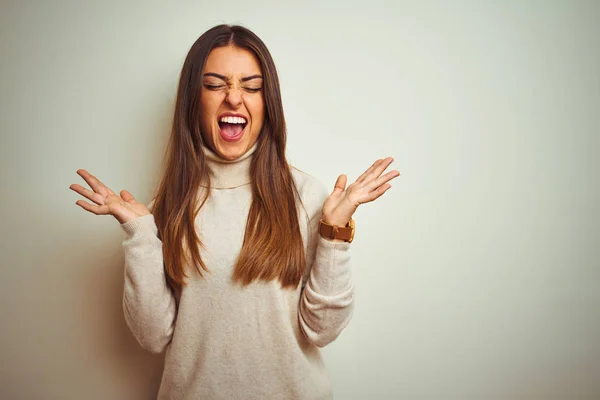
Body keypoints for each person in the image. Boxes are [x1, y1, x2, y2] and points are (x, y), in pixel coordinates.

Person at [69, 24, 399, 400]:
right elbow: (152, 335)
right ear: (194, 99)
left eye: (251, 86)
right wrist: (141, 234)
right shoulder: (167, 207)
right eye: (214, 85)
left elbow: (322, 331)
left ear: (267, 101)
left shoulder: (307, 197)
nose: (233, 99)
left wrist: (334, 234)